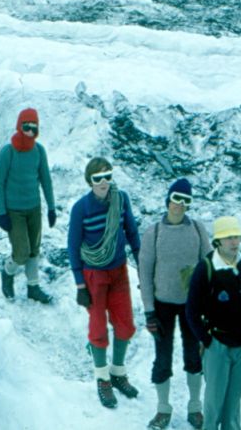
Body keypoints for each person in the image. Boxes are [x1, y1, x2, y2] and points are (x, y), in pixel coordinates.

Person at [138, 178, 211, 430]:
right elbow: (145, 273)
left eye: (185, 201)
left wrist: (207, 306)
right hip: (162, 305)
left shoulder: (198, 230)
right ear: (168, 200)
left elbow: (208, 266)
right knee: (162, 358)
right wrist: (149, 310)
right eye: (176, 199)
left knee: (194, 356)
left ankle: (195, 407)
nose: (179, 205)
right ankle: (163, 409)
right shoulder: (154, 232)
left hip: (192, 305)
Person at [68, 157, 141, 409]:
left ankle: (118, 372)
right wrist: (80, 285)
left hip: (118, 271)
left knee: (125, 323)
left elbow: (131, 231)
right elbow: (73, 246)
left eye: (107, 176)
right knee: (98, 326)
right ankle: (102, 377)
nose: (103, 182)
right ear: (90, 181)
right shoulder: (81, 209)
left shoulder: (121, 200)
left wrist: (141, 262)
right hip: (94, 275)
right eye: (97, 178)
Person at [186, 216, 241, 430]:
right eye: (228, 238)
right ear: (218, 241)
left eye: (236, 237)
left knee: (233, 403)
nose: (234, 242)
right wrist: (207, 340)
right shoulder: (206, 268)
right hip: (218, 345)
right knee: (214, 403)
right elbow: (191, 310)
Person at [0, 108, 56, 304]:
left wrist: (51, 208)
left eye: (33, 127)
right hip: (14, 211)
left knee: (34, 250)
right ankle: (7, 272)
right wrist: (2, 213)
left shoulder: (39, 151)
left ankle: (33, 287)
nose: (30, 131)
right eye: (26, 126)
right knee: (21, 252)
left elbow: (46, 180)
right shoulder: (8, 152)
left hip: (34, 208)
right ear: (19, 126)